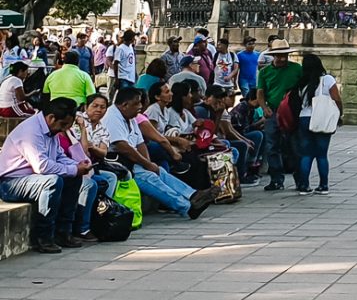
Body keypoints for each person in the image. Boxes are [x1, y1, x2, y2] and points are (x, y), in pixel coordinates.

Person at [101, 87, 217, 218]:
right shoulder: (112, 117)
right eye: (136, 104)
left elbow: (140, 143)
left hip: (130, 161)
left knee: (159, 171)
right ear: (124, 105)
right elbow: (123, 147)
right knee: (148, 177)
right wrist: (147, 164)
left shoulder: (131, 117)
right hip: (117, 163)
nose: (140, 106)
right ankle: (187, 207)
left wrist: (148, 164)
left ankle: (193, 195)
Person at [0, 97, 90, 253]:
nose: (63, 130)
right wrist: (74, 169)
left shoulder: (51, 131)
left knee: (72, 177)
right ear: (51, 118)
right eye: (62, 125)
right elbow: (42, 166)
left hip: (32, 180)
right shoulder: (31, 132)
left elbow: (59, 156)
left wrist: (76, 166)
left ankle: (64, 232)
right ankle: (44, 237)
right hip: (10, 183)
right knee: (52, 181)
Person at [257, 39, 303, 191]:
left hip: (292, 111)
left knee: (294, 146)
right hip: (273, 111)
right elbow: (260, 92)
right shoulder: (265, 72)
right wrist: (264, 107)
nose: (282, 58)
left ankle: (300, 179)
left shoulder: (297, 69)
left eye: (285, 55)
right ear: (274, 55)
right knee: (271, 146)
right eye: (279, 55)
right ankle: (276, 179)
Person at [294, 54, 342, 195]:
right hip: (321, 118)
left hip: (304, 118)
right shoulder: (327, 80)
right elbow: (337, 99)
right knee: (321, 155)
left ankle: (304, 186)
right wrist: (340, 115)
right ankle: (323, 185)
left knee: (306, 154)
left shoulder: (302, 82)